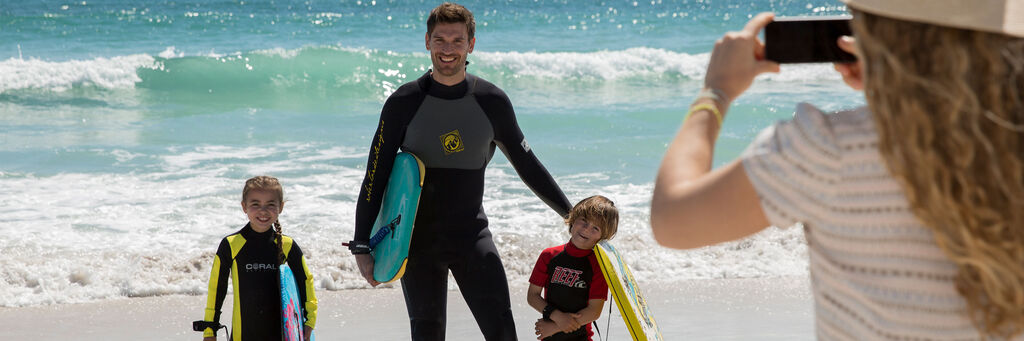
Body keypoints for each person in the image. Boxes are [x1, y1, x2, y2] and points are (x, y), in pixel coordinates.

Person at [650, 0, 1024, 339]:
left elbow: (672, 219)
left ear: (876, 36)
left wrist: (716, 90)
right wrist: (891, 86)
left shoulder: (831, 150)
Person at [347, 2, 572, 340]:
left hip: (472, 236)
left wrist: (572, 215)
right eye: (440, 40)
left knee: (502, 330)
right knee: (428, 332)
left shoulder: (491, 101)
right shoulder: (403, 101)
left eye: (457, 40)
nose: (447, 49)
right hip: (417, 241)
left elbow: (527, 164)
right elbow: (375, 176)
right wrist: (362, 245)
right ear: (427, 42)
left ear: (471, 44)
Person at [200, 176, 318, 341]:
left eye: (270, 204)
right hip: (243, 336)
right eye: (255, 204)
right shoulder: (231, 245)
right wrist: (209, 329)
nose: (263, 211)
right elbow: (216, 289)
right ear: (244, 207)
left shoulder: (287, 245)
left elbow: (306, 282)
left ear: (281, 207)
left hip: (281, 335)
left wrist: (309, 321)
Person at [527, 195, 617, 341]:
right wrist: (557, 317)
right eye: (584, 221)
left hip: (580, 337)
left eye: (595, 228)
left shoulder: (598, 266)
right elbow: (533, 296)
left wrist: (556, 326)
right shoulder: (549, 256)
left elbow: (594, 311)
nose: (586, 230)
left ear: (603, 235)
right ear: (574, 219)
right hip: (549, 337)